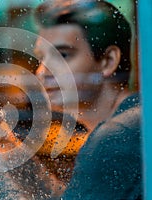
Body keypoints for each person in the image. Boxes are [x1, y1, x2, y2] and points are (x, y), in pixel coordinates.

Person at [33, 0, 142, 199]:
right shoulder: (133, 120)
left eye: (63, 55)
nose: (42, 72)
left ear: (108, 61)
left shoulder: (116, 137)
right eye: (41, 58)